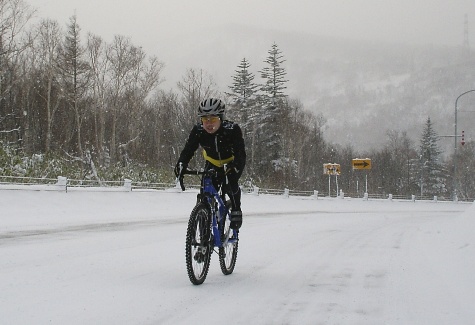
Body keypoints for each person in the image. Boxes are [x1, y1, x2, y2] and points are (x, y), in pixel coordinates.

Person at [175, 98, 246, 230]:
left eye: (213, 119)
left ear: (221, 118)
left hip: (230, 163)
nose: (208, 124)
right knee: (205, 196)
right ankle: (203, 233)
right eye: (204, 119)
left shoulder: (232, 129)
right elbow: (189, 149)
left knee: (231, 183)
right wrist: (181, 164)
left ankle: (236, 209)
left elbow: (241, 154)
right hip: (212, 163)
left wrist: (235, 166)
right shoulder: (198, 130)